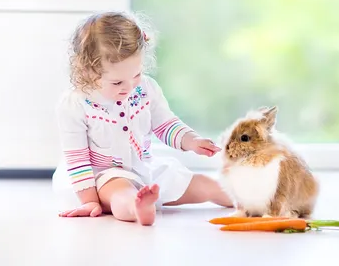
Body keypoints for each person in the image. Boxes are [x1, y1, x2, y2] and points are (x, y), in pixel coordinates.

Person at [52, 11, 233, 225]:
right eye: (117, 83)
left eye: (136, 75)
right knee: (122, 193)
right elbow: (78, 158)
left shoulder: (145, 89)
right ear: (87, 71)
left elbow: (165, 124)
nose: (129, 87)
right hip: (101, 178)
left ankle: (248, 198)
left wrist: (191, 141)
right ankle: (137, 208)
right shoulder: (76, 104)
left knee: (201, 185)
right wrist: (90, 201)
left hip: (144, 168)